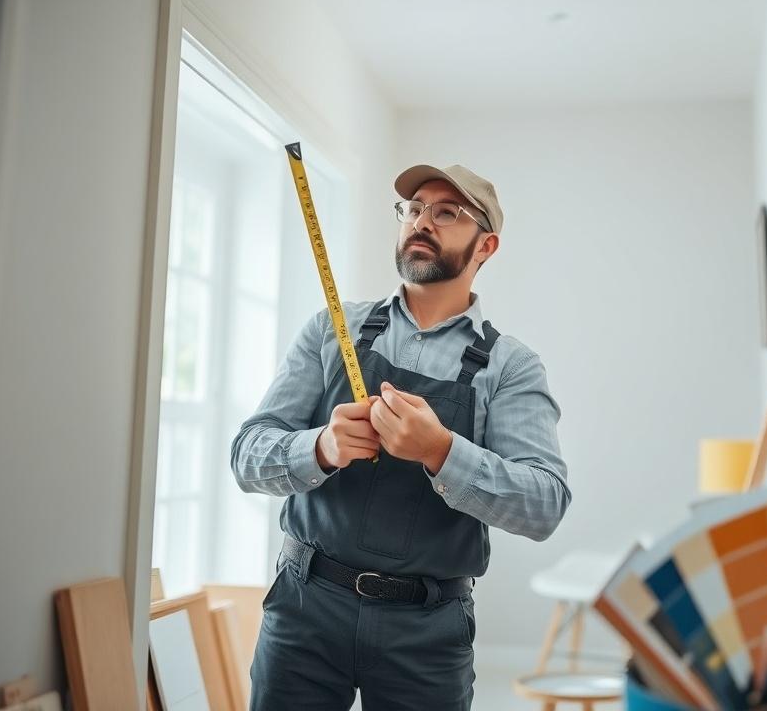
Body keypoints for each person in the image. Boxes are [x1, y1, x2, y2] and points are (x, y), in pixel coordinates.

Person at [231, 162, 571, 710]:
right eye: (413, 210)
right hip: (304, 609)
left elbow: (544, 506)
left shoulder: (510, 367)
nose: (422, 222)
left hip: (427, 632)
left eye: (445, 213)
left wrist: (440, 451)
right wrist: (320, 447)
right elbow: (247, 457)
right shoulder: (330, 327)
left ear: (486, 247)